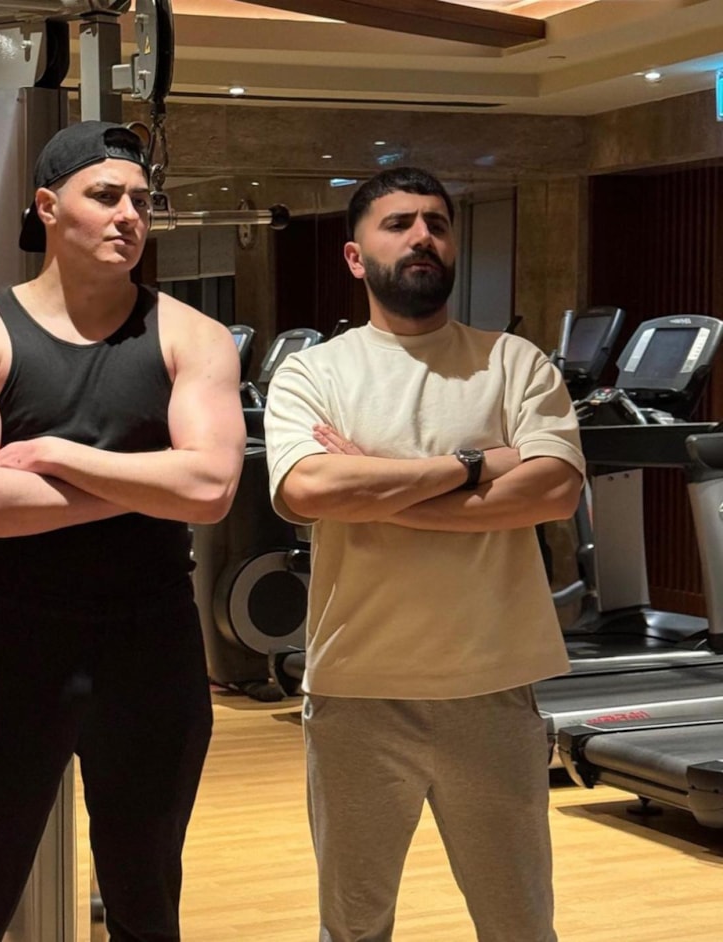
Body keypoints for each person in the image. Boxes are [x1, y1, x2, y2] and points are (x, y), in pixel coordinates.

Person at [0, 120, 245, 942]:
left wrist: (61, 458)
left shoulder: (192, 337)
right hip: (15, 645)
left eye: (141, 200)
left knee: (146, 902)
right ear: (47, 206)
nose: (129, 215)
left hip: (153, 647)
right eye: (105, 196)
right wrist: (151, 484)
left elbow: (211, 489)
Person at [264, 166, 585, 942]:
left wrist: (377, 489)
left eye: (436, 224)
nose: (422, 238)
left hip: (493, 687)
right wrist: (476, 466)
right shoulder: (314, 373)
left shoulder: (515, 363)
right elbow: (309, 487)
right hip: (357, 692)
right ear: (354, 256)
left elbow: (553, 490)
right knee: (354, 928)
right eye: (399, 224)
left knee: (519, 926)